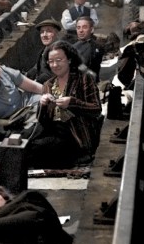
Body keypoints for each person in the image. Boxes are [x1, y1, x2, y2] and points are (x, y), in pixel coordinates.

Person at [31, 40, 102, 168]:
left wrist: (72, 102)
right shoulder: (48, 84)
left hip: (76, 133)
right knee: (28, 144)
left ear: (69, 59)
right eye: (51, 61)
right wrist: (43, 105)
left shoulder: (84, 78)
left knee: (39, 150)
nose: (55, 65)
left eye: (59, 60)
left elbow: (96, 109)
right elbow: (43, 121)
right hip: (53, 131)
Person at [26, 17, 63, 83]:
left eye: (49, 31)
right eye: (42, 32)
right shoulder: (45, 49)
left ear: (57, 33)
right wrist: (28, 75)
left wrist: (35, 82)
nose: (44, 35)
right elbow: (38, 66)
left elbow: (51, 74)